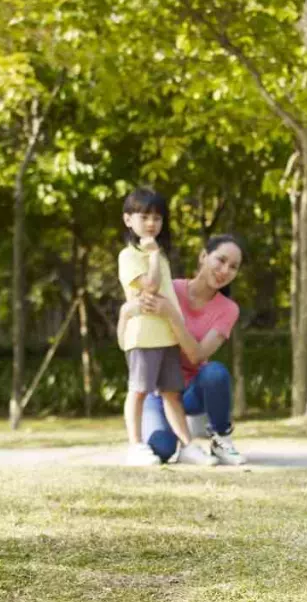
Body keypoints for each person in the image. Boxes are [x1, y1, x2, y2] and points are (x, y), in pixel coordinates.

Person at [120, 234, 247, 466]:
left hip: (192, 392)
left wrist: (171, 314)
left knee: (215, 373)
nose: (224, 270)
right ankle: (178, 432)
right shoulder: (171, 288)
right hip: (159, 390)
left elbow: (197, 355)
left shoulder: (228, 309)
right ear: (203, 256)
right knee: (162, 450)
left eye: (233, 267)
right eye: (220, 260)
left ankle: (221, 439)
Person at [117, 188, 218, 466]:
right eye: (145, 216)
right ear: (128, 220)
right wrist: (151, 255)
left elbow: (166, 295)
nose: (152, 223)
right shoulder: (130, 255)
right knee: (138, 391)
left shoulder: (158, 255)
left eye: (158, 218)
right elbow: (148, 286)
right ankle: (135, 446)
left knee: (172, 393)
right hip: (142, 336)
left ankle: (187, 446)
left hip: (166, 336)